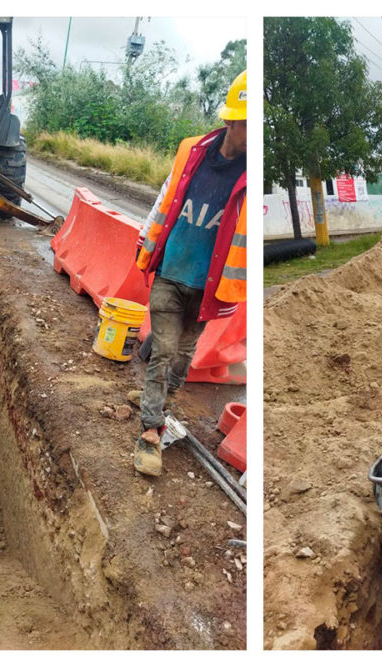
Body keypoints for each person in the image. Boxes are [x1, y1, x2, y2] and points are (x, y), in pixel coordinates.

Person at [131, 70, 247, 477]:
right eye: (248, 125)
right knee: (164, 351)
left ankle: (157, 402)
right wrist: (146, 238)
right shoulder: (194, 153)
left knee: (182, 357)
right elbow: (167, 195)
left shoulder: (253, 174)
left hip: (208, 288)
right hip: (171, 271)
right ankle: (149, 430)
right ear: (232, 120)